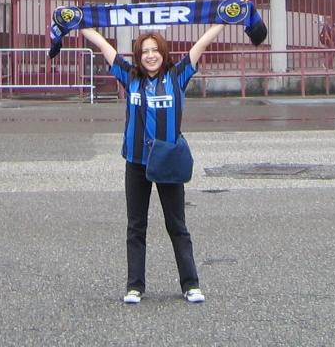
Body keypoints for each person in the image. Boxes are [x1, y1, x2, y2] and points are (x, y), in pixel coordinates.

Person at [79, 22, 226, 305]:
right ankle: (135, 286)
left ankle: (191, 284)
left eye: (155, 50)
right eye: (145, 51)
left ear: (163, 53)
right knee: (136, 226)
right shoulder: (130, 76)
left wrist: (222, 20)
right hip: (136, 162)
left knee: (177, 225)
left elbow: (201, 45)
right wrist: (80, 25)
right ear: (138, 55)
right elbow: (104, 47)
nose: (150, 55)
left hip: (168, 161)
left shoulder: (177, 75)